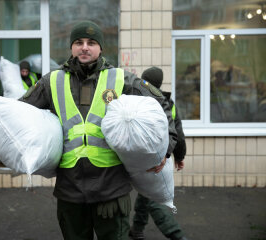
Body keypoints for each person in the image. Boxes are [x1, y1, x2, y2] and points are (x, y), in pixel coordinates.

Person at [19, 21, 177, 240]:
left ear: (100, 48)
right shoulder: (51, 81)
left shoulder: (121, 79)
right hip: (70, 191)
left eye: (91, 43)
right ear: (71, 47)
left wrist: (166, 148)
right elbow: (20, 113)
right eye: (79, 42)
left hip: (111, 191)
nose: (85, 47)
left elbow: (160, 102)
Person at [129, 66, 188, 240]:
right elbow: (177, 132)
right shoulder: (167, 103)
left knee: (144, 195)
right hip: (156, 158)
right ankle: (176, 235)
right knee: (154, 197)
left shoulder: (133, 99)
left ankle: (137, 230)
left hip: (131, 157)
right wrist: (180, 155)